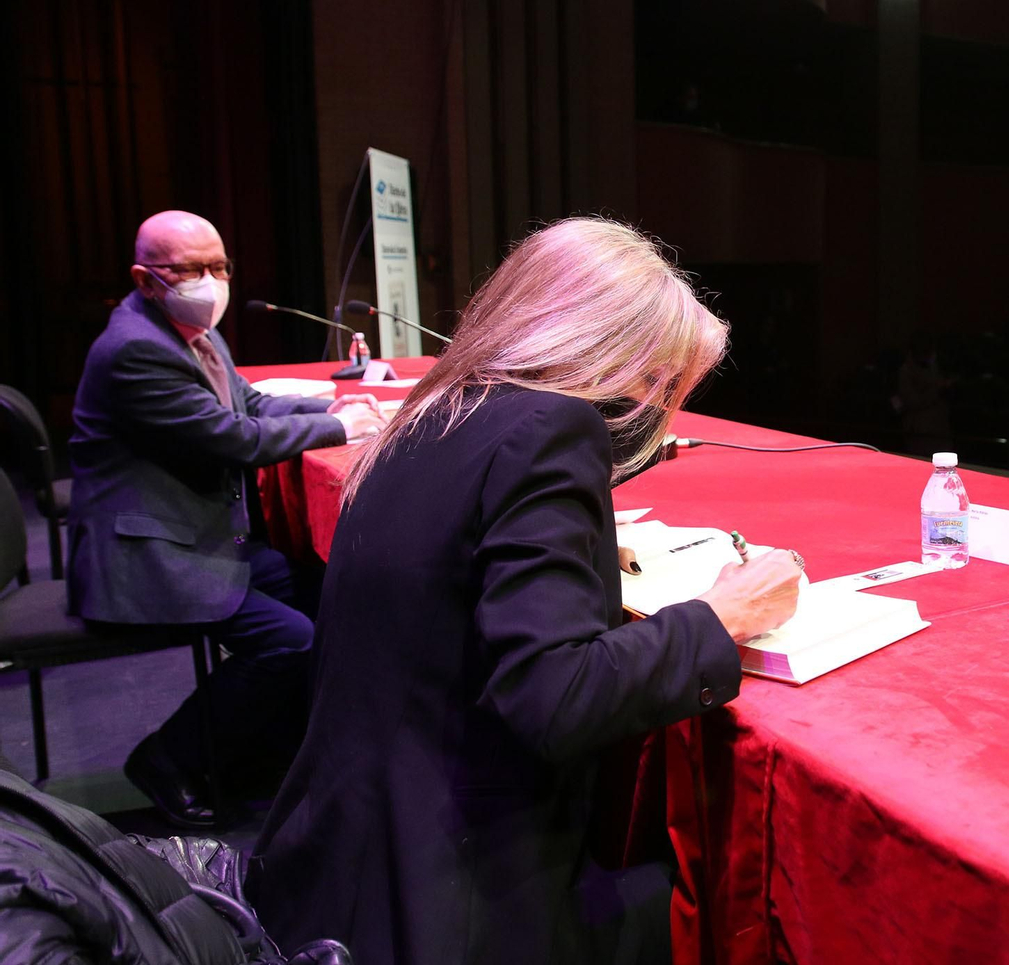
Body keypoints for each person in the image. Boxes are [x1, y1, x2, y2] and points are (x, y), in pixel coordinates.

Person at [246, 218, 802, 965]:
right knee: (709, 903)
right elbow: (555, 695)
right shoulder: (550, 427)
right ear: (595, 346)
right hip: (456, 891)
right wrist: (721, 616)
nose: (646, 402)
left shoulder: (436, 409)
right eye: (651, 377)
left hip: (341, 847)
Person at [68, 210, 386, 828]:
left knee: (332, 588)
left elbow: (250, 403)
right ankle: (169, 758)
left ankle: (269, 750)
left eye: (219, 267)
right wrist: (337, 428)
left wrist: (335, 409)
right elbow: (232, 437)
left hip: (201, 535)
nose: (211, 282)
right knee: (291, 639)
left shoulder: (195, 333)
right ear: (145, 279)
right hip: (146, 554)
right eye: (191, 269)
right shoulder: (135, 349)